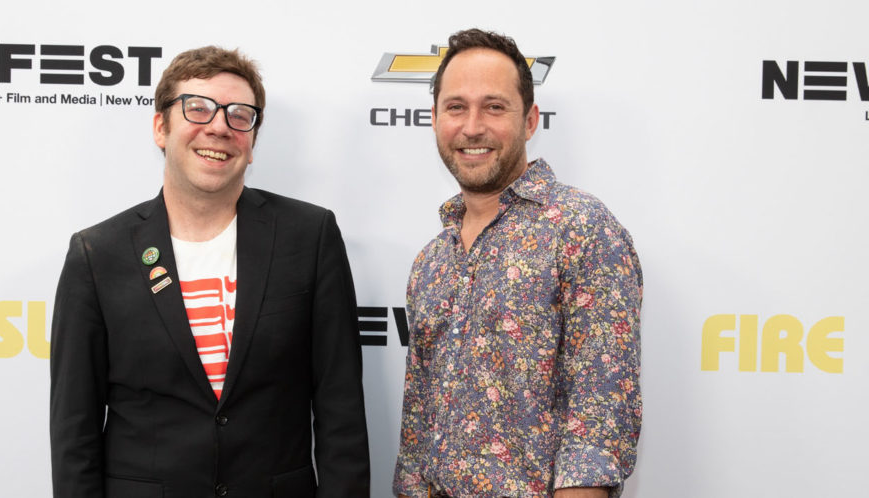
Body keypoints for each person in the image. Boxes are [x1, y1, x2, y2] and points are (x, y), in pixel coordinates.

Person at [50, 46, 370, 498]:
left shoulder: (310, 236)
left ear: (253, 140)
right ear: (161, 127)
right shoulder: (96, 254)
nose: (219, 126)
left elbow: (341, 412)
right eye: (197, 108)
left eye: (240, 115)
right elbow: (74, 432)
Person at [393, 29, 643, 498]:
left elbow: (600, 415)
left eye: (494, 106)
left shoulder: (582, 227)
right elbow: (417, 426)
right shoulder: (431, 261)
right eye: (456, 107)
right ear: (433, 119)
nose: (472, 127)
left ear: (529, 120)